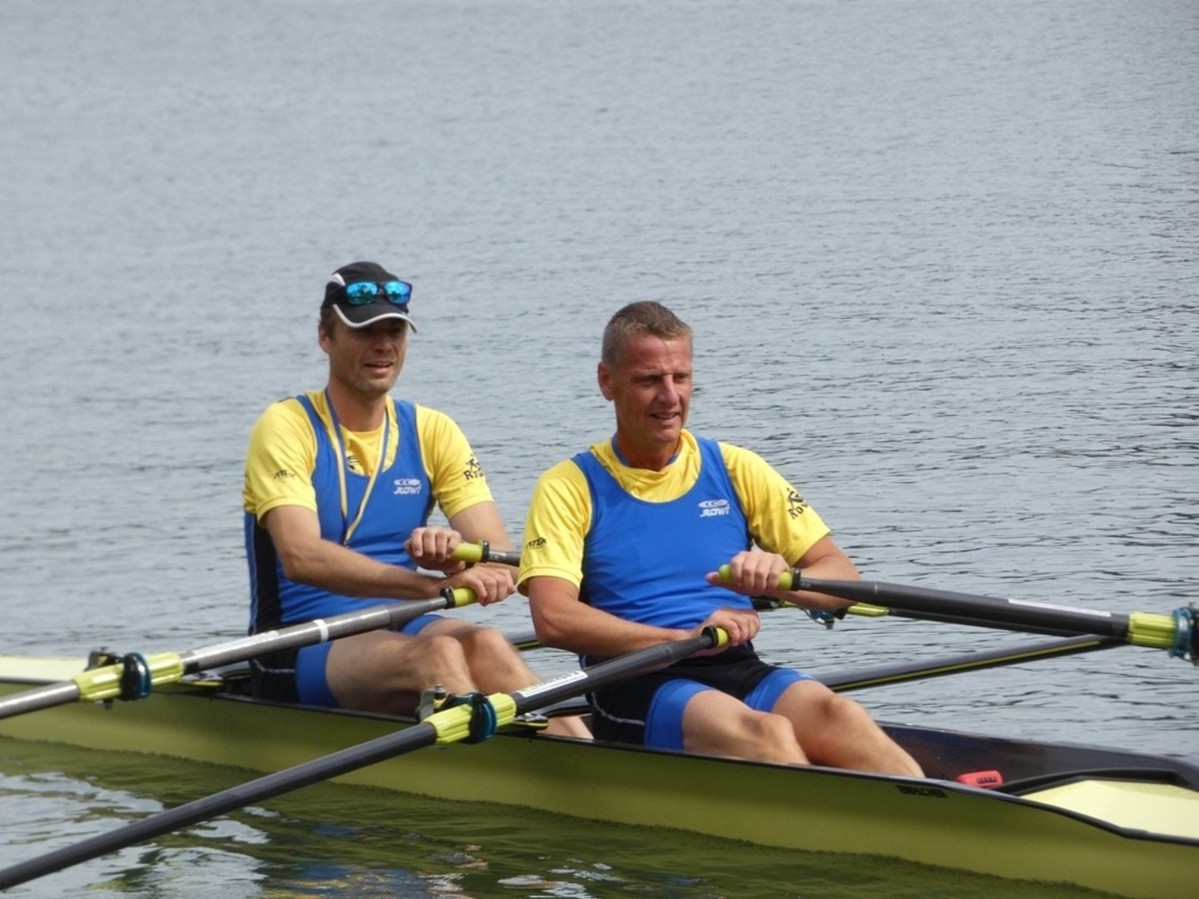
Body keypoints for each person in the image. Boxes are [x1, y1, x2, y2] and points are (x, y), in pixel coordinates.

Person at [518, 301, 922, 774]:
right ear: (607, 381)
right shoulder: (568, 486)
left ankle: (929, 809)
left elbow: (841, 580)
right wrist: (680, 637)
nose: (670, 397)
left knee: (841, 715)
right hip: (635, 678)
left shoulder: (736, 468)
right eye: (649, 380)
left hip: (735, 663)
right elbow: (553, 618)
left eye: (681, 377)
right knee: (765, 733)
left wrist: (782, 581)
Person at [243, 260, 587, 738]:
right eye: (365, 331)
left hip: (401, 623)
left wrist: (453, 560)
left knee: (487, 643)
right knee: (439, 653)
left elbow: (502, 562)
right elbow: (302, 557)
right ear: (325, 336)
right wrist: (427, 587)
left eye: (395, 331)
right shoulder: (286, 426)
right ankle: (503, 764)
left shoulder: (432, 431)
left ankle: (585, 755)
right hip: (299, 641)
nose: (383, 345)